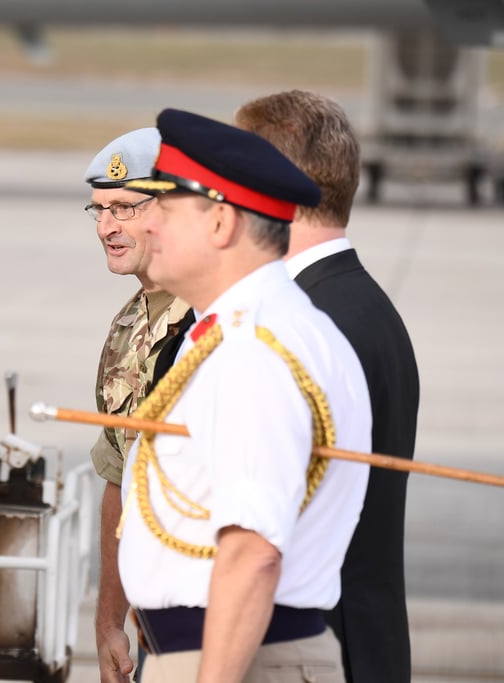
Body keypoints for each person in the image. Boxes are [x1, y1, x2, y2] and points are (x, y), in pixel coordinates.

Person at [117, 108, 373, 682]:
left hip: (236, 659)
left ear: (221, 223)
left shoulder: (255, 350)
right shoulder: (243, 331)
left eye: (164, 205)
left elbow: (254, 550)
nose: (146, 224)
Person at [235, 90, 420, 683]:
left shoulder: (304, 324)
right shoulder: (361, 304)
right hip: (362, 639)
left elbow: (266, 529)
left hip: (314, 645)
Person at [82, 127, 192, 683]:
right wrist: (108, 621)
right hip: (153, 621)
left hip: (200, 615)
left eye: (124, 208)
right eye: (99, 210)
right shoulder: (129, 324)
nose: (106, 228)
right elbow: (118, 477)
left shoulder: (207, 319)